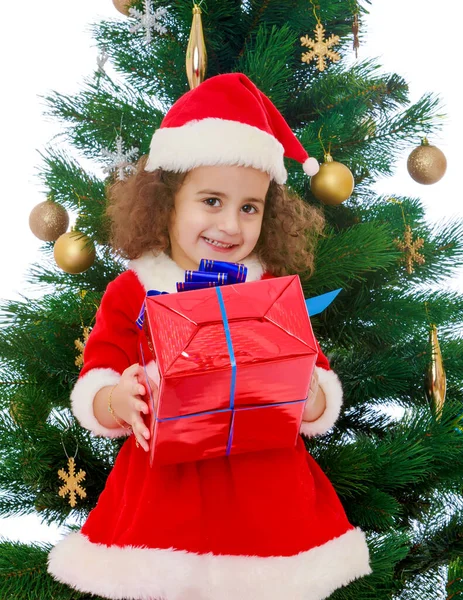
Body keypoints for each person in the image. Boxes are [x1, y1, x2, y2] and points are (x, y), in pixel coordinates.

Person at [48, 73, 371, 600]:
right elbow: (97, 381)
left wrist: (309, 394)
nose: (230, 225)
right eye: (211, 201)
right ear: (167, 202)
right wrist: (116, 399)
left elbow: (318, 385)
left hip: (267, 494)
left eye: (249, 208)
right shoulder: (133, 290)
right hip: (164, 499)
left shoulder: (268, 291)